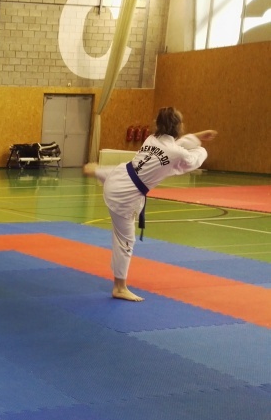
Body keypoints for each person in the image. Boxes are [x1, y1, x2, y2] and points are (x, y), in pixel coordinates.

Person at [83, 106, 217, 302]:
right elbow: (191, 158)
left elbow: (176, 145)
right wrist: (202, 148)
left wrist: (198, 136)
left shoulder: (151, 139)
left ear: (158, 124)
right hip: (124, 195)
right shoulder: (175, 152)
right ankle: (119, 287)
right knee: (125, 241)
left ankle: (98, 171)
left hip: (119, 177)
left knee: (128, 173)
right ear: (178, 126)